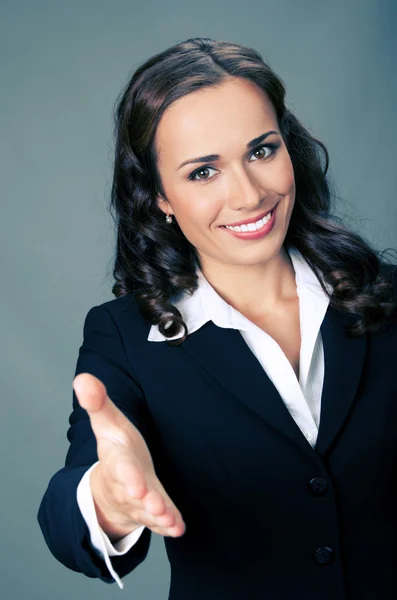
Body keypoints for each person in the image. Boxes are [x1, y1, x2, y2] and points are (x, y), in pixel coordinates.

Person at [37, 37, 397, 599]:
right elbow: (69, 513)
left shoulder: (389, 297)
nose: (249, 194)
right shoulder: (125, 338)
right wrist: (107, 500)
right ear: (159, 196)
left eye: (261, 151)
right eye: (203, 172)